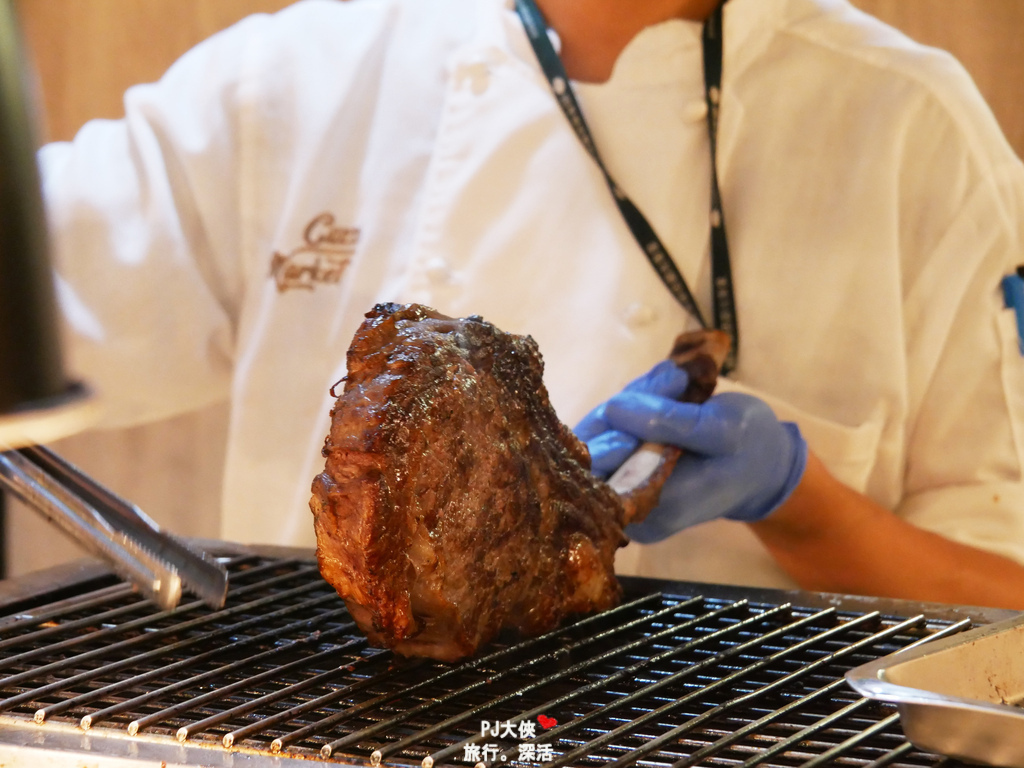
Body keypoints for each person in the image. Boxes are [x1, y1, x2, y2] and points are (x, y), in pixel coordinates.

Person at [37, 0, 1024, 608]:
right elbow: (33, 288)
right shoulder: (296, 86)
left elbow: (1006, 644)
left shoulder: (907, 130)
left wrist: (799, 504)